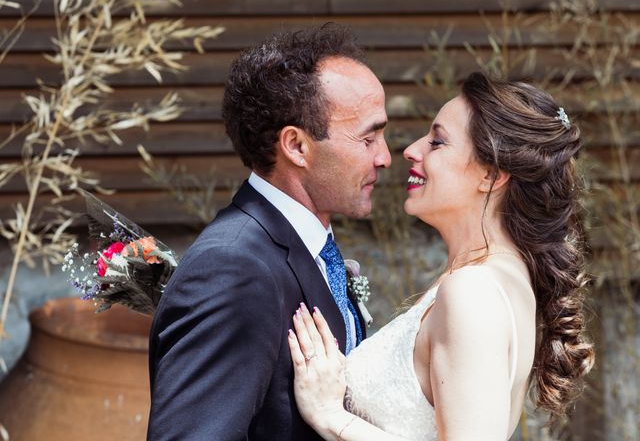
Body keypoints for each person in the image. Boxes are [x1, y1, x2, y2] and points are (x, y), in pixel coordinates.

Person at [288, 72, 595, 440]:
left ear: (491, 175)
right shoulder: (490, 277)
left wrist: (330, 416)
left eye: (437, 142)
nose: (411, 150)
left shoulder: (473, 291)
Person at [146, 24, 391, 440]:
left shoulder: (307, 249)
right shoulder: (232, 269)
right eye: (367, 138)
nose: (385, 157)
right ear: (296, 146)